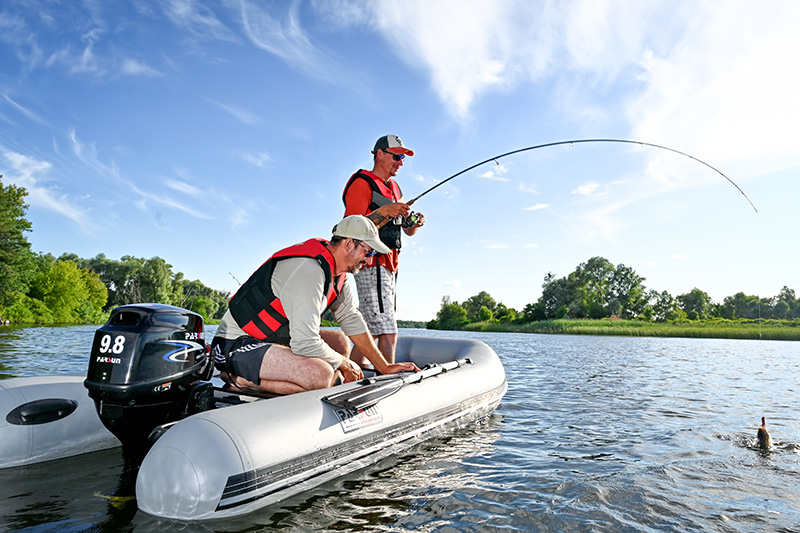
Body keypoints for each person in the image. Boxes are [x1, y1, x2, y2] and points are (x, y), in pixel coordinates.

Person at [210, 215, 419, 395]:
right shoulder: (308, 269)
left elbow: (350, 317)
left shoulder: (340, 273)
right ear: (348, 244)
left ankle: (303, 383)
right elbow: (305, 342)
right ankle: (241, 380)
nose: (370, 260)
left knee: (341, 343)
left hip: (274, 340)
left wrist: (384, 366)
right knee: (322, 375)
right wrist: (345, 364)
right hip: (236, 345)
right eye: (369, 251)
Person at [342, 134, 425, 366]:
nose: (400, 162)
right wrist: (387, 211)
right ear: (380, 154)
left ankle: (350, 375)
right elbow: (351, 228)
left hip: (391, 266)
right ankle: (388, 382)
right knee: (388, 331)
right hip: (371, 263)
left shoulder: (395, 188)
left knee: (373, 328)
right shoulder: (361, 182)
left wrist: (413, 224)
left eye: (403, 159)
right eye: (397, 156)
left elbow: (406, 232)